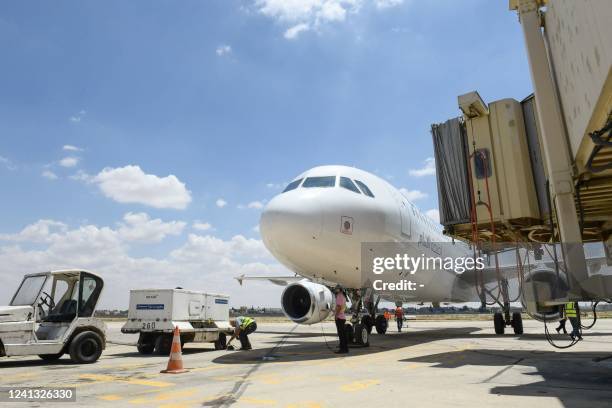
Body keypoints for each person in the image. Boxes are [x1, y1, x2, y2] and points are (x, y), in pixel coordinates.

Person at [333, 284, 348, 354]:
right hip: (343, 317)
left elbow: (338, 306)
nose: (335, 290)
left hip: (339, 317)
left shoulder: (339, 296)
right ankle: (345, 348)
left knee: (341, 335)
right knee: (343, 335)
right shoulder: (344, 296)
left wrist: (336, 315)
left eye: (336, 289)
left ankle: (342, 349)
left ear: (339, 289)